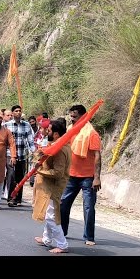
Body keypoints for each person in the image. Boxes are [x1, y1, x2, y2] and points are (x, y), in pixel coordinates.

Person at [60, 104, 102, 246]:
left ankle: (89, 237)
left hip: (88, 177)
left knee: (89, 207)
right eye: (71, 116)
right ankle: (61, 232)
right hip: (71, 175)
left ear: (83, 117)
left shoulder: (91, 133)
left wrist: (97, 177)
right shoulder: (70, 130)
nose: (72, 119)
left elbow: (97, 156)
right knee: (63, 204)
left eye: (75, 117)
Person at [32, 119, 72, 254]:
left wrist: (39, 170)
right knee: (48, 212)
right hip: (49, 185)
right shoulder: (57, 145)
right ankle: (47, 239)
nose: (46, 132)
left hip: (54, 187)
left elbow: (58, 173)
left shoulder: (60, 149)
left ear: (55, 134)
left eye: (48, 131)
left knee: (50, 215)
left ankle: (62, 244)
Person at [3, 105, 35, 207]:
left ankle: (18, 198)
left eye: (20, 111)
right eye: (16, 111)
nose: (18, 112)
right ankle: (11, 198)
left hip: (22, 155)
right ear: (12, 114)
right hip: (9, 154)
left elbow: (31, 141)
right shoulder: (6, 125)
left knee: (20, 177)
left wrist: (35, 153)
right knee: (11, 175)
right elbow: (3, 140)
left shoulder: (26, 125)